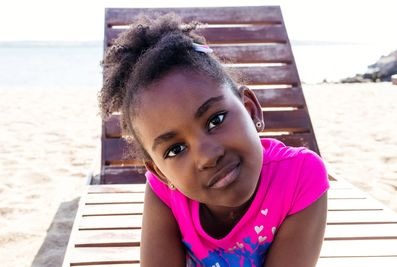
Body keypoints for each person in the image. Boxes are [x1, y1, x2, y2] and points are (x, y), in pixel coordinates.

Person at [99, 13, 330, 267]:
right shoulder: (165, 193)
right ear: (161, 173)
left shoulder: (299, 177)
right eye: (176, 149)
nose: (208, 156)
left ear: (251, 110)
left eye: (216, 120)